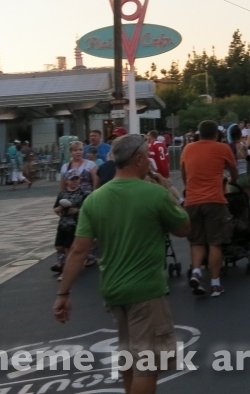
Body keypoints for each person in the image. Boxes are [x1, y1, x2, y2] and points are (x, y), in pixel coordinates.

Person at [54, 134, 190, 394]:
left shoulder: (95, 199)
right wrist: (167, 190)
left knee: (129, 358)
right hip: (146, 291)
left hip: (113, 290)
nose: (150, 160)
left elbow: (78, 251)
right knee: (147, 365)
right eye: (147, 155)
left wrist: (63, 294)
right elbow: (184, 228)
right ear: (138, 160)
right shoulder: (153, 194)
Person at [180, 119, 238, 297]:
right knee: (215, 242)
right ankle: (215, 283)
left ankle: (196, 272)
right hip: (214, 200)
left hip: (192, 200)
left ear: (199, 133)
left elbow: (184, 174)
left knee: (196, 240)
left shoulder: (187, 149)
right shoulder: (222, 148)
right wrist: (231, 181)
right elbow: (233, 169)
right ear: (216, 134)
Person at [51, 174, 87, 275]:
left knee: (68, 248)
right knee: (59, 247)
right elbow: (55, 209)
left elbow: (88, 209)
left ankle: (67, 271)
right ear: (67, 181)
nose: (75, 181)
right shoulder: (62, 194)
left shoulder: (83, 193)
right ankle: (72, 263)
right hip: (63, 223)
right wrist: (60, 209)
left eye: (77, 179)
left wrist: (77, 211)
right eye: (72, 179)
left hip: (75, 224)